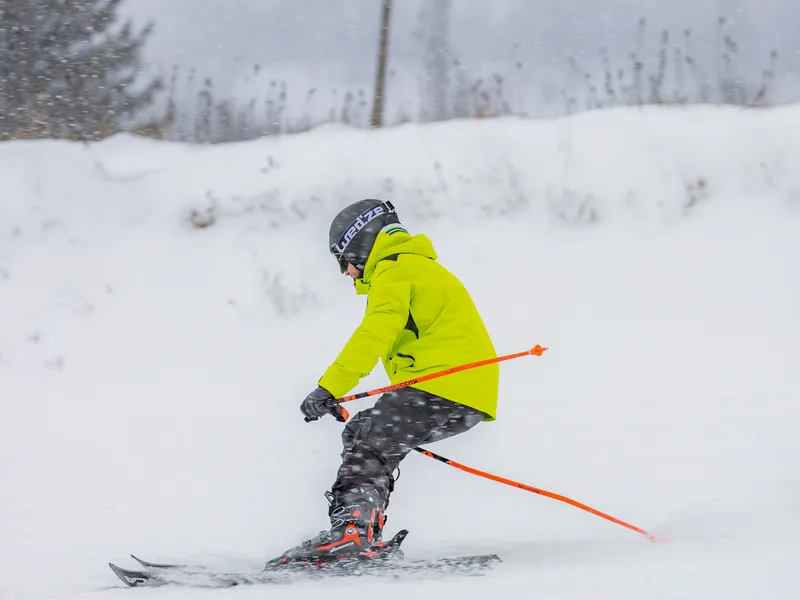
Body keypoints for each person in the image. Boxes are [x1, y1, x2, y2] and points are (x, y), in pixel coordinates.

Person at [271, 199, 499, 565]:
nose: (346, 272)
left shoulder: (395, 271)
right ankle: (359, 530)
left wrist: (329, 387)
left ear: (360, 244)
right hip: (462, 393)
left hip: (441, 385)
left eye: (343, 259)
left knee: (371, 445)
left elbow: (374, 334)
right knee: (363, 431)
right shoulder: (416, 268)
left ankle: (351, 536)